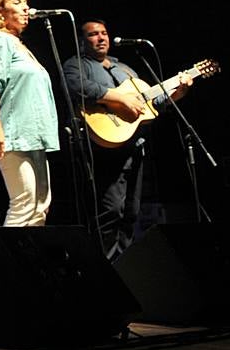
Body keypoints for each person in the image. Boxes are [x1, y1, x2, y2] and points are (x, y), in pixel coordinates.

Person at [64, 19, 190, 259]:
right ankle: (107, 268)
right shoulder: (76, 65)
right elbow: (76, 87)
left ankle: (126, 267)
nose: (101, 38)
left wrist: (177, 92)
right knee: (111, 211)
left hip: (134, 147)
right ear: (82, 42)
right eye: (93, 34)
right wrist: (119, 99)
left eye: (104, 33)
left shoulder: (125, 70)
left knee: (132, 212)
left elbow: (152, 104)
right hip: (104, 150)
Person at [0, 0, 59, 227]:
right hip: (13, 134)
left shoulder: (20, 46)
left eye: (25, 3)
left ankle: (30, 263)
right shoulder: (0, 41)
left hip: (35, 135)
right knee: (24, 202)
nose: (26, 9)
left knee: (40, 207)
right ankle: (5, 264)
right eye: (17, 3)